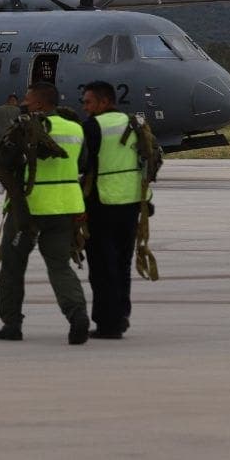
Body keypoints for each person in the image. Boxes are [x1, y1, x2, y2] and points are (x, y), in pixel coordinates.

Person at [0, 81, 90, 345]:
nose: (24, 101)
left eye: (28, 97)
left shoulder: (24, 128)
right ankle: (77, 314)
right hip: (66, 207)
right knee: (60, 265)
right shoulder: (75, 128)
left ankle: (11, 324)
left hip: (29, 209)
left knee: (13, 267)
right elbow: (82, 163)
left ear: (38, 102)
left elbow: (5, 162)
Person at [80, 80, 149, 339]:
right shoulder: (134, 124)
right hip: (131, 204)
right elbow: (147, 163)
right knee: (122, 264)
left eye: (88, 102)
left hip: (102, 204)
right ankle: (121, 317)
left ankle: (107, 323)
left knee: (101, 267)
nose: (85, 107)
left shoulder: (93, 126)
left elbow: (82, 162)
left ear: (104, 102)